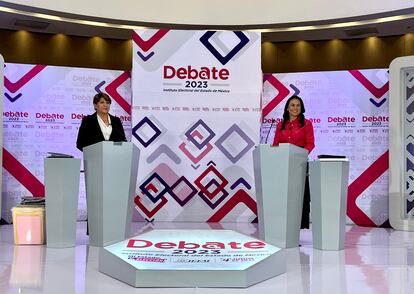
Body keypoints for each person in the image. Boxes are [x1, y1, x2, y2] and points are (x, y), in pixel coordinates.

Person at [272, 95, 315, 229]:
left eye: (298, 105)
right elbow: (275, 144)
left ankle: (297, 226)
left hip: (299, 164)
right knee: (283, 195)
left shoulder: (307, 123)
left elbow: (310, 144)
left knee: (299, 197)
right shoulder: (280, 124)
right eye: (292, 105)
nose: (295, 108)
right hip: (282, 165)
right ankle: (280, 224)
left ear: (301, 108)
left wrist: (301, 156)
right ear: (287, 108)